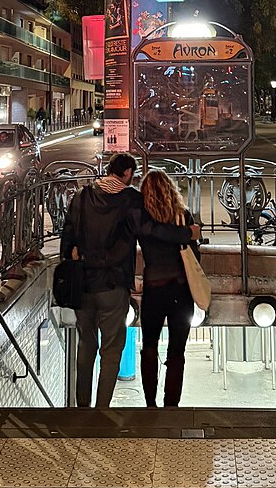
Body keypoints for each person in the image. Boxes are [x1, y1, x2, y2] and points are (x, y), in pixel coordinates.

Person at [60, 153, 200, 408]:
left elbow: (67, 233)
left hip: (81, 284)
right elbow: (151, 230)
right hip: (113, 284)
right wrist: (186, 233)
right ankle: (103, 410)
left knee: (86, 345)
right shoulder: (130, 200)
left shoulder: (81, 196)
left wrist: (74, 253)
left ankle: (81, 410)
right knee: (112, 351)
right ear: (127, 174)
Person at [138, 171, 199, 408]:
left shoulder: (143, 219)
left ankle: (150, 403)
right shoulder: (182, 216)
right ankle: (171, 404)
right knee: (177, 352)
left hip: (154, 288)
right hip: (181, 291)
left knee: (149, 346)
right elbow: (194, 253)